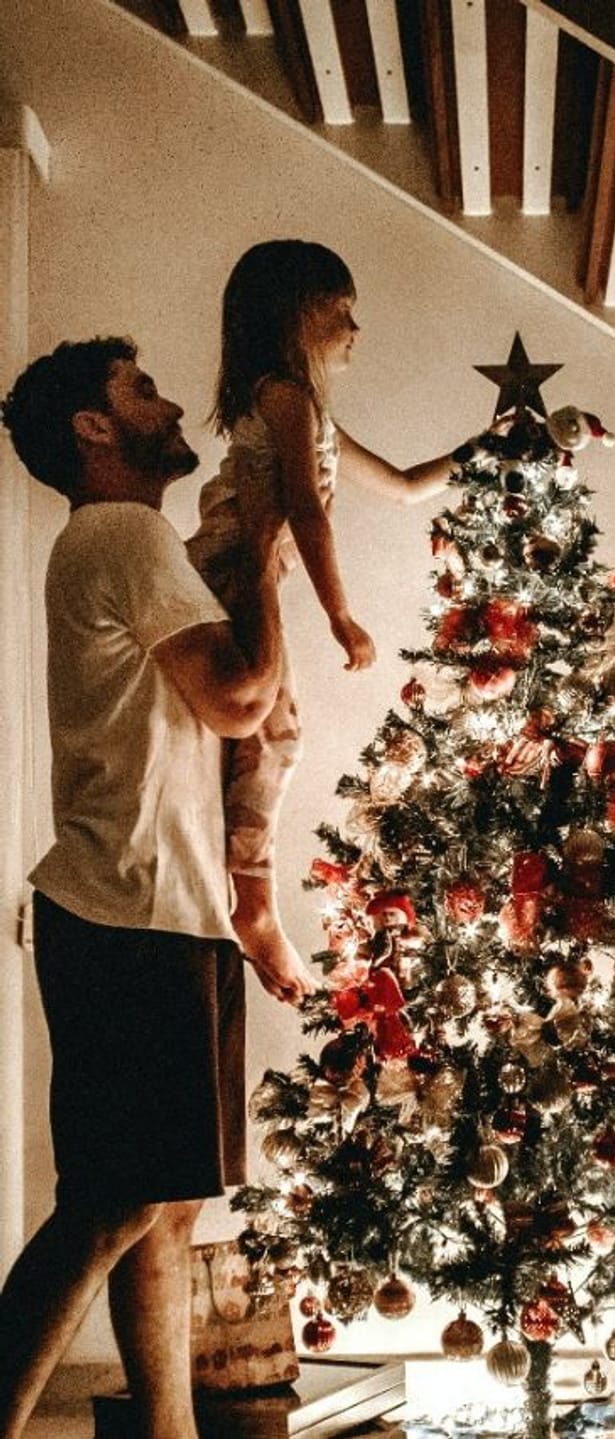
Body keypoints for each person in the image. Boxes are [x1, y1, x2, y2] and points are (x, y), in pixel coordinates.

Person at [0, 335, 314, 1439]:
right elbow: (238, 696)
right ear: (92, 428)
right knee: (111, 1203)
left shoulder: (123, 540)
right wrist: (265, 556)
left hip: (166, 908)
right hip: (128, 912)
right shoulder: (123, 531)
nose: (170, 401)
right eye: (138, 389)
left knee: (165, 1206)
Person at [186, 238, 461, 985]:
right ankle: (251, 904)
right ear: (296, 316)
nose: (354, 329)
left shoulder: (306, 411)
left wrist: (484, 450)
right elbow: (305, 511)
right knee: (274, 734)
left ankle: (241, 891)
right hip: (227, 576)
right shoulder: (285, 396)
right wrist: (341, 617)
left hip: (240, 580)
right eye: (342, 310)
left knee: (265, 738)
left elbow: (404, 485)